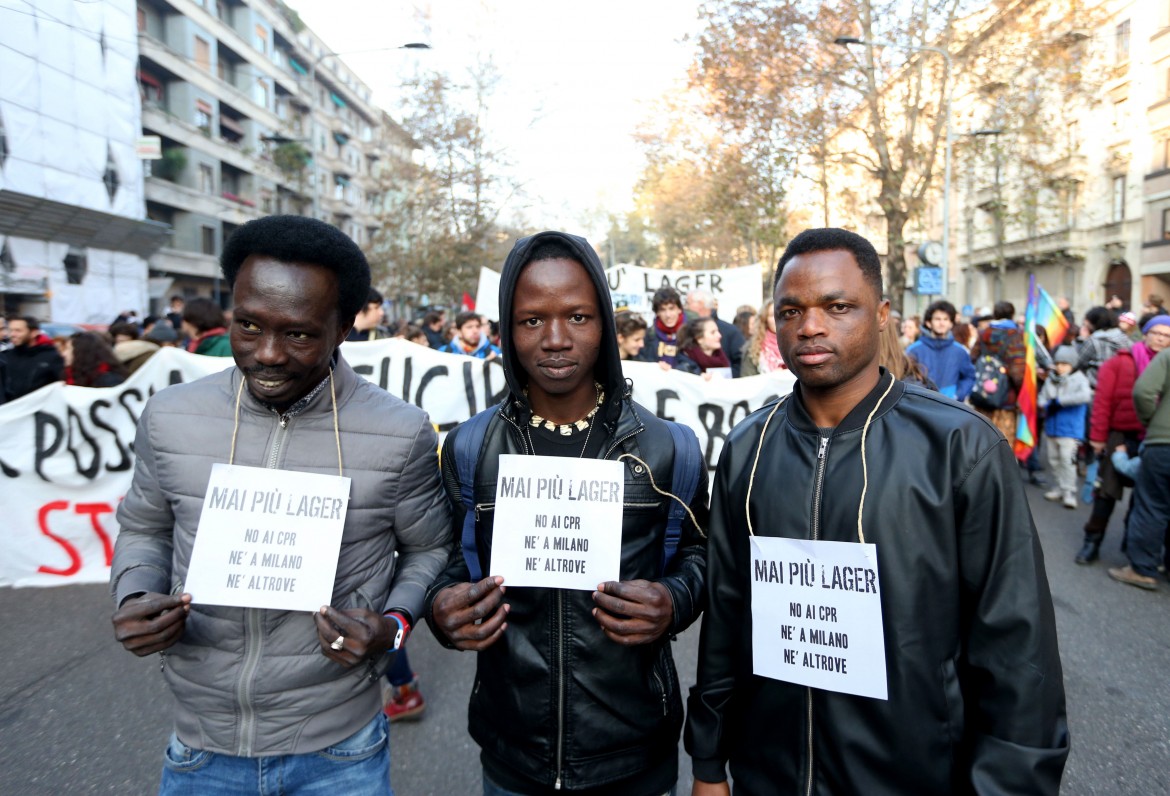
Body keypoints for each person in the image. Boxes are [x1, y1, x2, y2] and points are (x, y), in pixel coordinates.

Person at [686, 228, 1068, 795]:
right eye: (791, 310)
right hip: (769, 775)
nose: (811, 326)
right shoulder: (748, 446)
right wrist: (709, 762)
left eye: (838, 307)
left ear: (883, 313)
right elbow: (726, 614)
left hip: (915, 777)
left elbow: (1017, 647)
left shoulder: (960, 447)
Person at [109, 215, 452, 795]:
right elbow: (144, 527)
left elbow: (430, 547)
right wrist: (135, 592)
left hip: (340, 753)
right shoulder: (170, 415)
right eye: (247, 326)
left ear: (342, 327)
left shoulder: (401, 431)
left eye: (297, 334)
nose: (267, 354)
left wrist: (392, 627)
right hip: (200, 747)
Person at [424, 230, 709, 796]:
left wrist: (674, 600)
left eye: (577, 317)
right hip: (513, 757)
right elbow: (447, 559)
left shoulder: (667, 448)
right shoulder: (469, 449)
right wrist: (440, 608)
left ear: (603, 321)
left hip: (633, 754)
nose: (555, 339)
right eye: (532, 320)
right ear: (506, 329)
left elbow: (703, 556)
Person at [1077, 315, 1170, 564]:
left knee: (1145, 498)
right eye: (1156, 332)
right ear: (1145, 333)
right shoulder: (1120, 362)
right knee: (1106, 493)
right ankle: (1092, 542)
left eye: (1167, 335)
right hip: (1119, 434)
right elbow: (1102, 402)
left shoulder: (1167, 364)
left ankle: (1133, 548)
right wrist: (1097, 437)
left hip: (1153, 438)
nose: (1161, 338)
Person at [1108, 327, 1170, 590]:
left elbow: (1143, 391)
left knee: (1152, 506)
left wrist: (1152, 423)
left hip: (1163, 443)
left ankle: (1143, 569)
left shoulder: (1167, 356)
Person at [1037, 346, 1092, 509]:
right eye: (1058, 363)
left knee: (1067, 460)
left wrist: (1060, 401)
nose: (1060, 367)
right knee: (1053, 459)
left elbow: (1085, 396)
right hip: (1052, 427)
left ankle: (1069, 491)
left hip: (1070, 428)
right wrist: (1045, 404)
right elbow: (1042, 398)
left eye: (1065, 364)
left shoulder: (1079, 379)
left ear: (1072, 365)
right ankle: (1059, 487)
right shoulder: (1050, 379)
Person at [971, 301, 1027, 441]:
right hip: (1006, 400)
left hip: (982, 396)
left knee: (982, 442)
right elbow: (1017, 371)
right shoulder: (1015, 336)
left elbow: (973, 358)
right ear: (1012, 315)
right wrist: (1023, 395)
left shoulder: (984, 333)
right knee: (1002, 444)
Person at [905, 299, 975, 400]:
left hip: (951, 408)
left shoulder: (960, 351)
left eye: (946, 319)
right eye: (937, 319)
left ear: (951, 323)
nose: (942, 323)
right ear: (929, 323)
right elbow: (906, 378)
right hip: (923, 406)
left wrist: (958, 395)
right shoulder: (914, 350)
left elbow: (969, 377)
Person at [0, 316, 65, 401]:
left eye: (18, 331)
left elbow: (60, 387)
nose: (12, 334)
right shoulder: (6, 357)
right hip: (10, 410)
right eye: (10, 330)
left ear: (34, 332)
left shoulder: (51, 357)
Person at [686, 289, 745, 377]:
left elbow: (741, 365)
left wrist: (719, 377)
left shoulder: (730, 332)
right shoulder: (685, 329)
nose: (685, 307)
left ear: (700, 304)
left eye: (688, 303)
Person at [1075, 306, 1130, 389]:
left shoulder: (1093, 341)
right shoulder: (1125, 338)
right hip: (1121, 385)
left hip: (1096, 386)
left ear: (1094, 323)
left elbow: (1079, 362)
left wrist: (1081, 340)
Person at [877, 316, 935, 389]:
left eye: (910, 327)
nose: (907, 330)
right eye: (905, 327)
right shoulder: (903, 343)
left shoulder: (919, 347)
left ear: (917, 330)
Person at [637, 286, 686, 370]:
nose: (668, 315)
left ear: (679, 309)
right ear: (657, 313)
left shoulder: (692, 332)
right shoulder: (648, 336)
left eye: (671, 309)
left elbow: (696, 365)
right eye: (663, 310)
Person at [63, 332, 129, 388]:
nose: (64, 354)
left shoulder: (109, 380)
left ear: (82, 352)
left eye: (68, 349)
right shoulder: (74, 376)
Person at [740, 301, 785, 376]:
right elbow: (747, 380)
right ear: (765, 320)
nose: (777, 318)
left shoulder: (797, 343)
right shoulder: (754, 347)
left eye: (781, 313)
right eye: (772, 315)